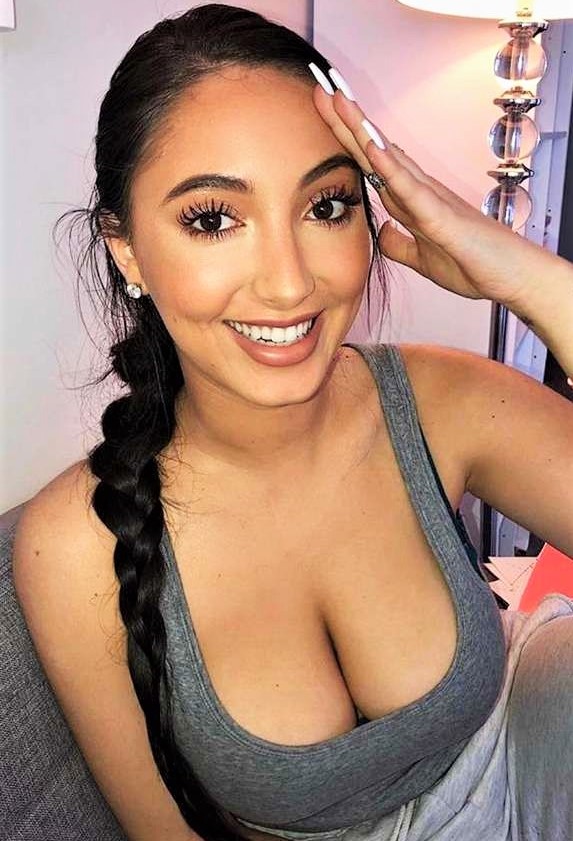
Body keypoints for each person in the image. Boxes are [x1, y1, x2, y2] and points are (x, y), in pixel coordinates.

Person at [12, 4, 573, 841]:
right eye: (213, 218)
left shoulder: (443, 399)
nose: (287, 283)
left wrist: (529, 282)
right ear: (127, 251)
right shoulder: (75, 546)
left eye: (326, 206)